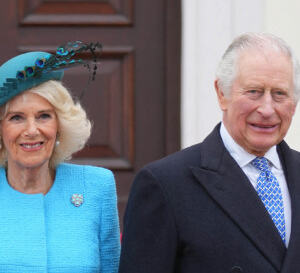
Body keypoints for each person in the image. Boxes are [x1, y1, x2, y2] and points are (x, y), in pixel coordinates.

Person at [119, 32, 300, 272]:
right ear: (222, 94)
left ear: (294, 101)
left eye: (279, 93)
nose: (267, 109)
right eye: (254, 91)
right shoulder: (166, 184)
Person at [0, 42, 120, 272]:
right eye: (16, 118)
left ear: (60, 126)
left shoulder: (96, 187)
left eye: (44, 116)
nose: (32, 130)